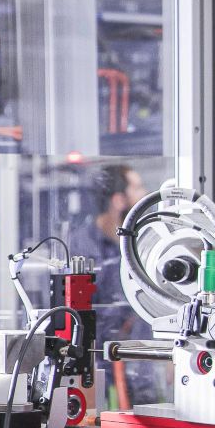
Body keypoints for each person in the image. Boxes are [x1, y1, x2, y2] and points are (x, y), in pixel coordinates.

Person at [64, 164, 158, 407]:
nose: (144, 193)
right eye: (137, 188)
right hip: (98, 357)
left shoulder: (142, 241)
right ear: (118, 200)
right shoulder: (81, 245)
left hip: (141, 353)